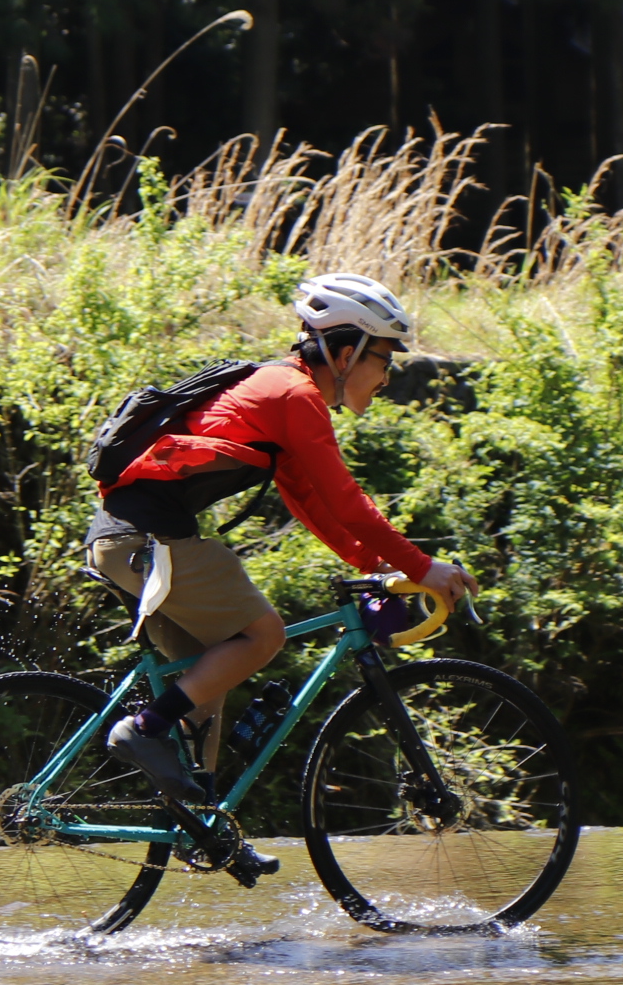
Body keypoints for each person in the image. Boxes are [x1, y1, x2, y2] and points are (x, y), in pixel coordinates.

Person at [85, 272, 479, 883]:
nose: (386, 376)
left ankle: (203, 826)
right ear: (346, 354)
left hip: (126, 541)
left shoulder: (283, 393)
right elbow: (348, 502)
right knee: (262, 635)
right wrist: (423, 567)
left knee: (209, 678)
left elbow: (310, 502)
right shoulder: (293, 395)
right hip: (147, 541)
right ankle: (143, 729)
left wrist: (373, 564)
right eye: (383, 360)